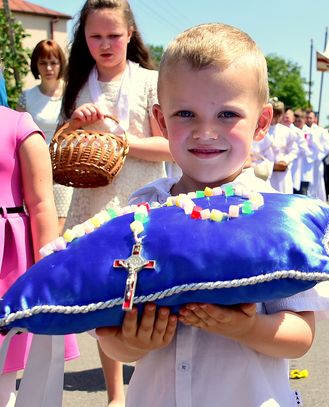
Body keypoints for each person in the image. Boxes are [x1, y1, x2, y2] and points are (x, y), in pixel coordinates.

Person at [94, 23, 329, 407]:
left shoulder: (280, 217)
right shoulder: (142, 211)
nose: (205, 132)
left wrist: (249, 326)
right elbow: (111, 331)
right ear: (161, 120)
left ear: (260, 123)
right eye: (186, 113)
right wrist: (131, 342)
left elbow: (301, 335)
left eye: (227, 114)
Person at [60, 1, 172, 404]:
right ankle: (116, 395)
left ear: (129, 35)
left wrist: (123, 140)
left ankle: (154, 386)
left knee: (147, 295)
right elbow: (62, 146)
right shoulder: (79, 82)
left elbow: (170, 147)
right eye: (95, 36)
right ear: (83, 39)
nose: (105, 44)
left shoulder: (149, 81)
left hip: (142, 200)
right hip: (93, 203)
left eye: (113, 35)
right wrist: (75, 124)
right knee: (105, 297)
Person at [0, 106, 79, 406]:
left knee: (2, 377)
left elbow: (42, 205)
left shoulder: (18, 125)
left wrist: (47, 281)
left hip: (6, 263)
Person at [16, 39, 73, 235]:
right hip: (35, 166)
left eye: (53, 62)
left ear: (61, 64)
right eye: (43, 62)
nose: (48, 68)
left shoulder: (71, 93)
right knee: (38, 222)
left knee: (63, 227)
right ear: (36, 65)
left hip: (64, 167)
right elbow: (18, 134)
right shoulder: (27, 96)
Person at [265, 98, 298, 193]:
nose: (275, 118)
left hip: (282, 174)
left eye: (278, 115)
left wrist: (286, 160)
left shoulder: (287, 132)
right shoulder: (261, 131)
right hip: (266, 173)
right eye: (274, 115)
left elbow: (293, 150)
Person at [305, 109, 329, 201]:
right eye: (307, 118)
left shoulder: (321, 131)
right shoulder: (301, 129)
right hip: (304, 162)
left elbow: (327, 146)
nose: (308, 120)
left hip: (317, 161)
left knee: (317, 183)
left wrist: (319, 156)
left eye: (310, 118)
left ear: (315, 119)